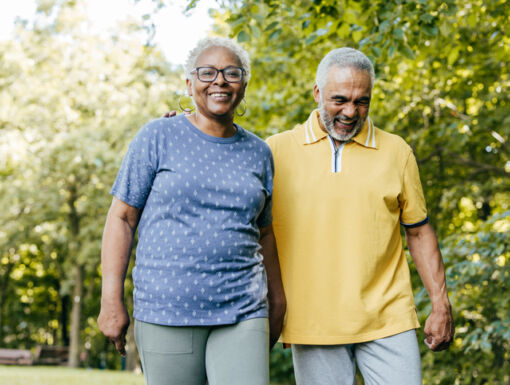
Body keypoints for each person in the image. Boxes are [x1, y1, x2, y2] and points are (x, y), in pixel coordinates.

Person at [97, 37, 286, 385]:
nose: (220, 81)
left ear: (243, 84)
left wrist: (278, 301)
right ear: (189, 83)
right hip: (167, 310)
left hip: (243, 309)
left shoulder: (259, 152)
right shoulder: (157, 136)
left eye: (231, 73)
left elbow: (264, 232)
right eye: (207, 72)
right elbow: (121, 218)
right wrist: (111, 299)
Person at [266, 47, 454, 385]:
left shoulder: (396, 152)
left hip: (388, 318)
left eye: (362, 101)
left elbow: (419, 232)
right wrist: (188, 130)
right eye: (340, 100)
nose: (351, 112)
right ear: (317, 93)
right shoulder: (275, 151)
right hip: (313, 323)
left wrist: (440, 304)